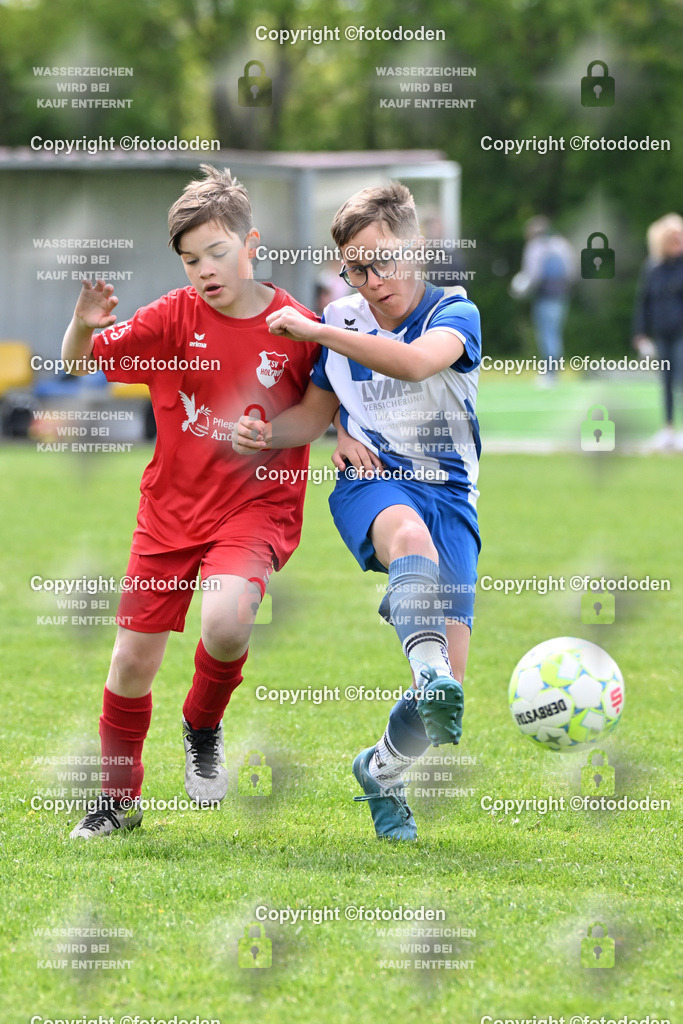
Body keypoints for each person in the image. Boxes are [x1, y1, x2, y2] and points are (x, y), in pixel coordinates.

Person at [63, 164, 327, 838]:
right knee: (130, 663)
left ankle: (201, 727)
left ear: (251, 243)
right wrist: (81, 324)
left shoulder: (298, 324)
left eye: (216, 252)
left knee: (229, 619)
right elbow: (75, 363)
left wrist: (282, 432)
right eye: (189, 260)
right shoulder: (172, 317)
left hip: (255, 508)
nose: (204, 269)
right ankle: (118, 804)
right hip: (170, 514)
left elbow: (327, 405)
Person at [233, 181, 482, 841]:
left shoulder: (455, 312)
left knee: (440, 711)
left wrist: (317, 328)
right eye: (355, 268)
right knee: (405, 537)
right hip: (370, 480)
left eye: (381, 260)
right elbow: (314, 415)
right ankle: (423, 660)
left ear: (415, 246)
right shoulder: (341, 319)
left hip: (450, 496)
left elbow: (408, 364)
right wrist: (261, 432)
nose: (371, 281)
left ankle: (381, 770)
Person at [632, 212, 683, 451]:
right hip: (662, 332)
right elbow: (644, 301)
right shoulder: (653, 267)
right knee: (666, 382)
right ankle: (668, 428)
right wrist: (640, 334)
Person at [511, 215, 577, 384]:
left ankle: (550, 374)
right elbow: (572, 271)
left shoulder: (535, 247)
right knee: (555, 332)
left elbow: (532, 275)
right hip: (561, 295)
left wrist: (518, 291)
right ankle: (554, 372)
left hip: (544, 296)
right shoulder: (561, 244)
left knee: (547, 334)